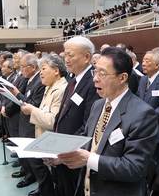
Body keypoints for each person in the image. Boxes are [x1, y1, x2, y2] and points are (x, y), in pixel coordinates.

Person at [55, 47, 158, 196]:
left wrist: (89, 159)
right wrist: (62, 154)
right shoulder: (98, 105)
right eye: (95, 71)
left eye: (102, 73)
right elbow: (88, 139)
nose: (95, 78)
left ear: (122, 78)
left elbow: (135, 167)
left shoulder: (142, 114)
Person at [52, 36, 100, 196]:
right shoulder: (72, 80)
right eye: (65, 55)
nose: (66, 59)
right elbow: (62, 115)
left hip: (74, 156)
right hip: (61, 151)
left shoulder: (93, 83)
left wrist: (65, 152)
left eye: (70, 55)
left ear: (87, 57)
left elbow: (88, 126)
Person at [20, 54, 68, 196]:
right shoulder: (49, 87)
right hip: (45, 140)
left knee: (59, 182)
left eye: (44, 69)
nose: (40, 72)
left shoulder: (60, 89)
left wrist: (32, 110)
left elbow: (53, 121)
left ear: (56, 71)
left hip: (54, 142)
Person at [10, 53, 45, 190]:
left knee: (34, 159)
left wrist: (18, 94)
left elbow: (33, 104)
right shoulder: (30, 79)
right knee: (27, 155)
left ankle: (38, 183)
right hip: (24, 121)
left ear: (32, 67)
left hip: (32, 124)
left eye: (23, 66)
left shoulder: (39, 81)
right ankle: (29, 174)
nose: (21, 68)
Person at [137, 50, 159, 169]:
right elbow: (138, 100)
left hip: (158, 130)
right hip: (143, 129)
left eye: (147, 61)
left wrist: (145, 116)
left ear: (157, 65)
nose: (143, 64)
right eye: (143, 60)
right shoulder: (143, 80)